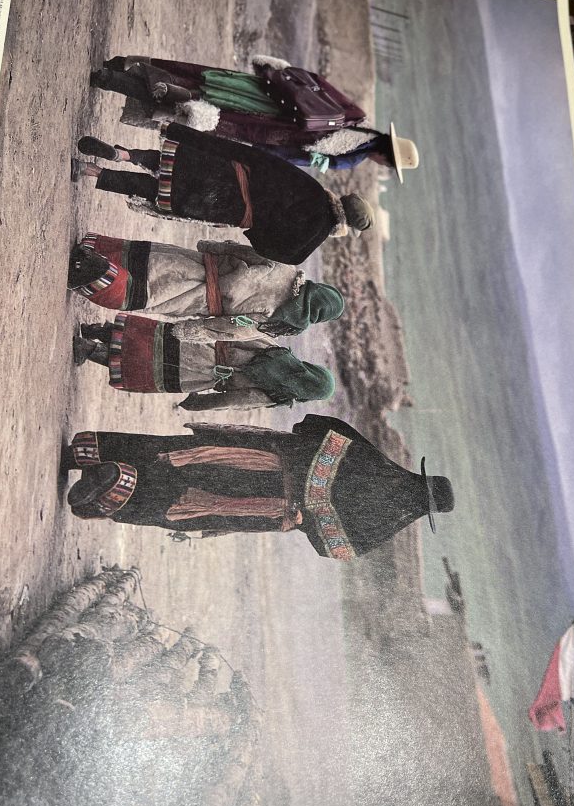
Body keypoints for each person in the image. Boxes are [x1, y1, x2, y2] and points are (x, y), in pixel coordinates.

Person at [63, 415, 454, 561]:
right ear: (425, 510)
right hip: (266, 508)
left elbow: (315, 426)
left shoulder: (376, 463)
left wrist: (303, 456)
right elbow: (332, 549)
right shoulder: (380, 527)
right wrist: (306, 517)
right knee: (180, 508)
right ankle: (102, 500)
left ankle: (87, 455)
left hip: (263, 463)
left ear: (420, 478)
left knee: (175, 455)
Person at [71, 125, 375, 265]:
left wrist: (201, 140)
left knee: (163, 162)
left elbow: (264, 160)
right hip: (226, 208)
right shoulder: (312, 240)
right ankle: (92, 171)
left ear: (343, 199)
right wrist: (254, 229)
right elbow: (280, 254)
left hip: (230, 173)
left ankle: (123, 154)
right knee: (153, 191)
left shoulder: (313, 189)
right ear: (346, 225)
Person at [90, 54, 419, 179]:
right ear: (384, 158)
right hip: (256, 127)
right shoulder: (349, 158)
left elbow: (318, 84)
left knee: (198, 82)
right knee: (188, 111)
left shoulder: (357, 117)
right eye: (387, 165)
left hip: (265, 96)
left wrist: (282, 75)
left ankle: (123, 68)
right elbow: (296, 156)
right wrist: (258, 154)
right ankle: (113, 81)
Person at [67, 235, 345, 338]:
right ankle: (94, 274)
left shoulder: (286, 268)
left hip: (204, 265)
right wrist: (194, 329)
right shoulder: (280, 319)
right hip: (201, 300)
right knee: (146, 294)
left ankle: (93, 252)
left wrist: (212, 247)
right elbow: (235, 327)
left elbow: (245, 252)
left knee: (152, 261)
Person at [72, 312, 336, 411]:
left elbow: (239, 331)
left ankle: (97, 331)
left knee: (148, 338)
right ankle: (89, 349)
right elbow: (234, 400)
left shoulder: (278, 352)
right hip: (202, 373)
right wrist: (198, 404)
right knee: (145, 367)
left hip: (202, 344)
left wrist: (201, 329)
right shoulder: (276, 395)